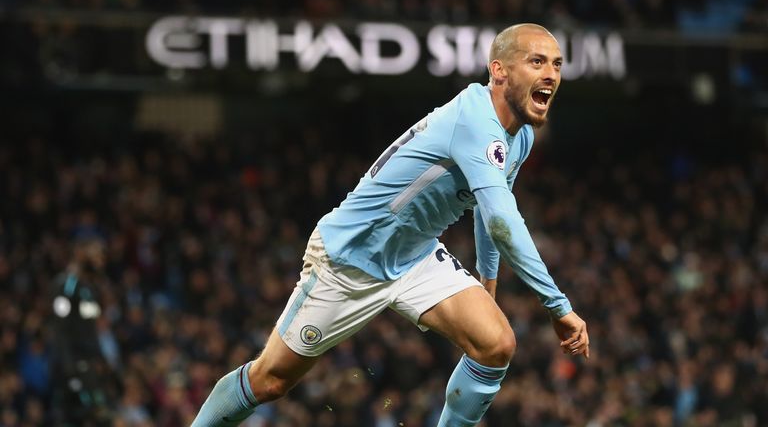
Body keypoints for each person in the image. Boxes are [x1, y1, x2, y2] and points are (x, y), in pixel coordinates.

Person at [191, 23, 590, 427]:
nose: (550, 74)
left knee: (496, 344)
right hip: (352, 256)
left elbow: (492, 211)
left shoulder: (518, 136)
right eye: (536, 61)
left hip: (415, 253)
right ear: (499, 71)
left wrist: (488, 282)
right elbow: (504, 222)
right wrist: (557, 306)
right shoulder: (475, 122)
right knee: (271, 381)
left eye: (556, 64)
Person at [49, 233, 118, 426]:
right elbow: (60, 329)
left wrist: (102, 361)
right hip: (72, 366)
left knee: (100, 416)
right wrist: (70, 367)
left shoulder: (89, 288)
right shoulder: (65, 286)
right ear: (79, 253)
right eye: (95, 253)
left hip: (90, 364)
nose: (100, 259)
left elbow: (91, 331)